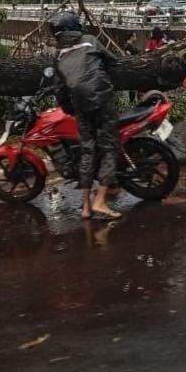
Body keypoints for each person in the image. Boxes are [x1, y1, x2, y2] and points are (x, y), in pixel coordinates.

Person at [49, 11, 121, 220]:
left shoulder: (58, 55)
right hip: (102, 101)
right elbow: (112, 61)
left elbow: (59, 90)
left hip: (80, 107)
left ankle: (86, 207)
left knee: (87, 151)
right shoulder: (90, 41)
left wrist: (70, 110)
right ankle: (100, 201)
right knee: (109, 148)